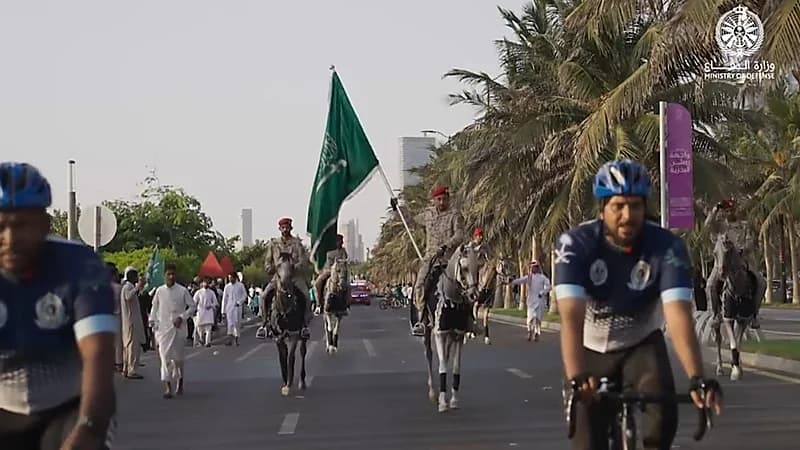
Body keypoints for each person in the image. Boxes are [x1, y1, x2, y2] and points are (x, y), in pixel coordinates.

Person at [555, 160, 723, 450]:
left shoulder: (667, 247)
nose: (627, 216)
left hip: (641, 342)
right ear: (602, 208)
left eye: (635, 205)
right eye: (618, 206)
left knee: (663, 420)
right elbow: (570, 318)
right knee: (586, 441)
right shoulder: (575, 244)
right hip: (591, 345)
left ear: (646, 207)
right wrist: (576, 376)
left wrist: (697, 377)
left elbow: (678, 315)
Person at [0, 162, 117, 449]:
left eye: (22, 225)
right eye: (0, 226)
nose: (10, 240)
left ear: (45, 225)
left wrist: (90, 427)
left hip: (68, 407)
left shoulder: (80, 264)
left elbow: (98, 354)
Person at [390, 185, 465, 336]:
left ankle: (468, 320)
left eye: (444, 199)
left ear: (448, 199)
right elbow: (410, 220)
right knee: (419, 285)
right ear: (434, 200)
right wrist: (397, 208)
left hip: (449, 258)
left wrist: (446, 246)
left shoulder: (455, 215)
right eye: (439, 199)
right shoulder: (428, 214)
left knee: (467, 283)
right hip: (430, 259)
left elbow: (459, 235)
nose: (442, 202)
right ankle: (421, 320)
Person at [704, 197, 765, 329]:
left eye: (731, 210)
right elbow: (707, 225)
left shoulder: (744, 226)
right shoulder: (720, 226)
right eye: (726, 210)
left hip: (741, 261)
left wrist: (744, 249)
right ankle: (716, 314)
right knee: (710, 285)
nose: (729, 213)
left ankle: (754, 314)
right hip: (721, 263)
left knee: (761, 283)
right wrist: (715, 210)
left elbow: (750, 240)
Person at [148, 264, 196, 399]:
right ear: (164, 276)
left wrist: (182, 317)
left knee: (178, 360)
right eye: (168, 274)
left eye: (173, 274)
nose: (171, 276)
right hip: (163, 330)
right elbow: (154, 308)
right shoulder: (159, 291)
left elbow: (192, 306)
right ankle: (168, 386)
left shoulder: (182, 290)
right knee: (165, 358)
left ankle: (180, 381)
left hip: (179, 330)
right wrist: (153, 322)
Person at [260, 217, 312, 337]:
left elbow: (303, 261)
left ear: (290, 228)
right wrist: (270, 268)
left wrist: (294, 267)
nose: (285, 230)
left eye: (287, 227)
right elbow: (268, 262)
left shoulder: (297, 243)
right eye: (283, 228)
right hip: (278, 277)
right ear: (279, 229)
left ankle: (304, 325)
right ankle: (264, 324)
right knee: (264, 296)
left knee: (306, 295)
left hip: (294, 277)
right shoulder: (274, 244)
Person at [511, 261, 551, 342]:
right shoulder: (529, 277)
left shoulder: (543, 277)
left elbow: (549, 287)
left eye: (535, 267)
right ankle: (529, 332)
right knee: (530, 318)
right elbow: (520, 281)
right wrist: (510, 281)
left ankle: (537, 333)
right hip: (531, 300)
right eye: (532, 267)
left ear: (537, 268)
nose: (533, 269)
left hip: (539, 300)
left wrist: (542, 292)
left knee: (538, 318)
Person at [313, 233, 349, 314]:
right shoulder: (330, 252)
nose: (339, 243)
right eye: (337, 241)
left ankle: (346, 305)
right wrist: (334, 269)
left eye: (340, 241)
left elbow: (345, 261)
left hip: (341, 272)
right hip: (330, 271)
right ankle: (319, 304)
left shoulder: (343, 251)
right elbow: (329, 264)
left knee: (348, 286)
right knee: (317, 283)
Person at [120, 266, 145, 379]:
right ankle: (131, 370)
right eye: (136, 276)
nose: (137, 278)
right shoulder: (127, 287)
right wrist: (137, 288)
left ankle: (126, 368)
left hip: (131, 321)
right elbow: (128, 297)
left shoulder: (129, 287)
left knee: (129, 346)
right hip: (130, 322)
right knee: (132, 346)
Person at [222, 272, 246, 346]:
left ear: (235, 277)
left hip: (237, 307)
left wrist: (239, 302)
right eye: (229, 278)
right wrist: (223, 311)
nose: (230, 279)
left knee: (237, 324)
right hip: (229, 307)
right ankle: (229, 340)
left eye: (231, 278)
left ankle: (236, 339)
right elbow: (224, 299)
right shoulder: (227, 287)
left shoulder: (240, 285)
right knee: (230, 324)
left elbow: (244, 295)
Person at [193, 277, 218, 347]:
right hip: (200, 312)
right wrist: (194, 309)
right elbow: (194, 302)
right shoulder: (198, 292)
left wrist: (211, 305)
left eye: (207, 282)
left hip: (209, 312)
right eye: (204, 282)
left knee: (208, 328)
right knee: (199, 328)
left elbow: (215, 302)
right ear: (202, 283)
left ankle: (208, 342)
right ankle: (201, 339)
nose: (206, 284)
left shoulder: (211, 292)